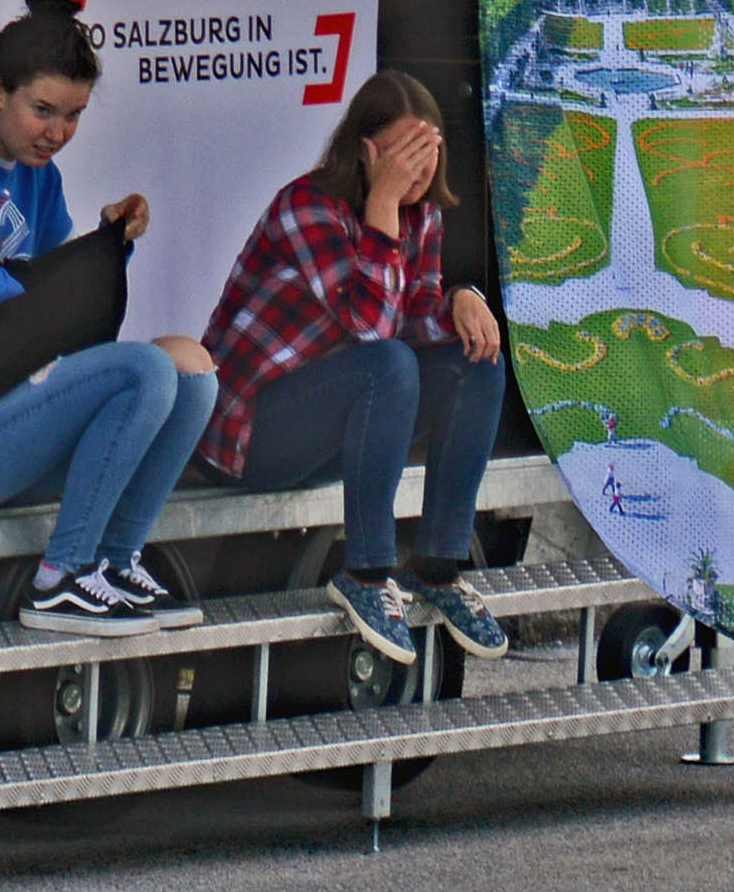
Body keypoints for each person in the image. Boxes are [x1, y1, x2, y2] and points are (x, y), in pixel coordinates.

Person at [0, 0, 219, 637]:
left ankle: (114, 561)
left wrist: (110, 240)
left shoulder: (40, 176)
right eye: (42, 109)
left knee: (190, 370)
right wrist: (15, 300)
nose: (57, 132)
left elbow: (57, 298)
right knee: (143, 368)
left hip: (1, 423)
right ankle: (60, 578)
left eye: (73, 115)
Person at [201, 72, 515, 665]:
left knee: (477, 361)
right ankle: (366, 574)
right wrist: (382, 206)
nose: (416, 170)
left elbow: (414, 315)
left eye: (427, 152)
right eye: (403, 154)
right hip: (251, 433)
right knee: (387, 364)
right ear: (366, 152)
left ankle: (438, 567)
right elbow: (372, 327)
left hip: (335, 423)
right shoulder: (307, 206)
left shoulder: (422, 215)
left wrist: (461, 300)